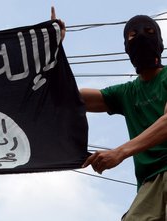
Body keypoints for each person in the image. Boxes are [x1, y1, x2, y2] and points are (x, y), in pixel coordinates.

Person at [51, 6, 167, 221]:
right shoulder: (127, 93)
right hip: (149, 184)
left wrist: (120, 152)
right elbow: (67, 98)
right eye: (133, 35)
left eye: (149, 33)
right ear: (126, 48)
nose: (141, 37)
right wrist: (53, 51)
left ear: (160, 43)